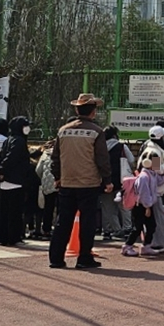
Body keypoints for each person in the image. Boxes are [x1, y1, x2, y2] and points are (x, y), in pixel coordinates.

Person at [49, 95, 113, 269]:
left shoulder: (63, 130)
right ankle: (84, 258)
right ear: (93, 111)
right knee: (87, 222)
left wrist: (57, 177)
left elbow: (55, 158)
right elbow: (102, 159)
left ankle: (56, 258)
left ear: (77, 110)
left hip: (67, 183)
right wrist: (107, 180)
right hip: (89, 183)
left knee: (63, 221)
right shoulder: (96, 131)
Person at [121, 144, 164, 257]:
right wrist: (147, 207)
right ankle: (127, 246)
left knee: (151, 226)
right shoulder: (144, 176)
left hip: (147, 204)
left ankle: (146, 246)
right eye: (155, 162)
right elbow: (143, 193)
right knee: (137, 227)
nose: (157, 164)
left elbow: (160, 179)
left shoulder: (151, 174)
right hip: (141, 205)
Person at [0, 115, 34, 246]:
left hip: (6, 181)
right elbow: (12, 158)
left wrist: (0, 171)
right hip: (15, 180)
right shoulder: (19, 141)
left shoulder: (9, 139)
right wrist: (2, 170)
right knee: (15, 212)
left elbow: (1, 157)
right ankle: (14, 237)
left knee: (4, 211)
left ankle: (2, 237)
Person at [99, 125, 130, 241]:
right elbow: (131, 160)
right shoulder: (121, 147)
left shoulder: (99, 147)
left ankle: (110, 230)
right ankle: (127, 228)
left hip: (103, 181)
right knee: (124, 206)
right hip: (121, 180)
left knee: (107, 207)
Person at [35, 141, 58, 237]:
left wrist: (43, 179)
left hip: (47, 184)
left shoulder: (45, 154)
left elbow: (38, 170)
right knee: (61, 207)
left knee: (48, 207)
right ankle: (59, 228)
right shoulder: (62, 153)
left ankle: (46, 229)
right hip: (60, 182)